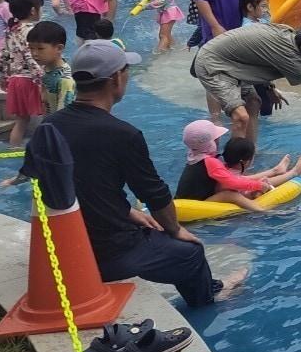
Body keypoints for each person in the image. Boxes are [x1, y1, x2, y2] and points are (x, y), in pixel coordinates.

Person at [18, 41, 245, 307]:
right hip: (108, 252)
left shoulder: (50, 126)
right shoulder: (123, 134)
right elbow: (154, 193)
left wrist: (129, 213)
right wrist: (174, 229)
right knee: (190, 253)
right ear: (116, 78)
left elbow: (73, 185)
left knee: (150, 227)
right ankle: (210, 297)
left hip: (64, 244)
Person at [193, 21, 301, 143]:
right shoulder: (290, 55)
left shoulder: (288, 34)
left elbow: (260, 56)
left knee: (254, 102)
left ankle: (250, 153)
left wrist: (269, 86)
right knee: (240, 117)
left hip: (232, 62)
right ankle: (235, 167)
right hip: (213, 64)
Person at [174, 120, 301, 211]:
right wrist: (259, 186)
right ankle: (261, 209)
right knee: (229, 194)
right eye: (216, 139)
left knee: (236, 183)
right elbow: (233, 182)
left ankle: (277, 171)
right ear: (209, 143)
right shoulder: (209, 161)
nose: (218, 141)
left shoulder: (194, 156)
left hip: (187, 200)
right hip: (193, 205)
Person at [0, 0, 44, 145]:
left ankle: (13, 149)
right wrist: (41, 79)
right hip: (30, 80)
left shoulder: (11, 30)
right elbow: (31, 56)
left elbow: (3, 56)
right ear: (33, 10)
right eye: (41, 7)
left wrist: (3, 78)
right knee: (47, 116)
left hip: (15, 81)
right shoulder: (33, 31)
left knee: (22, 121)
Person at [239, 0, 277, 118]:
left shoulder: (261, 22)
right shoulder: (247, 27)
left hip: (260, 72)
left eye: (267, 6)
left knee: (266, 103)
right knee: (262, 104)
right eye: (263, 6)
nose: (266, 9)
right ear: (250, 7)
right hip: (252, 73)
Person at [26, 20, 76, 114]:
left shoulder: (65, 79)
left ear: (59, 48)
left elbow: (64, 113)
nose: (34, 53)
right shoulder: (47, 70)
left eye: (40, 48)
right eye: (31, 48)